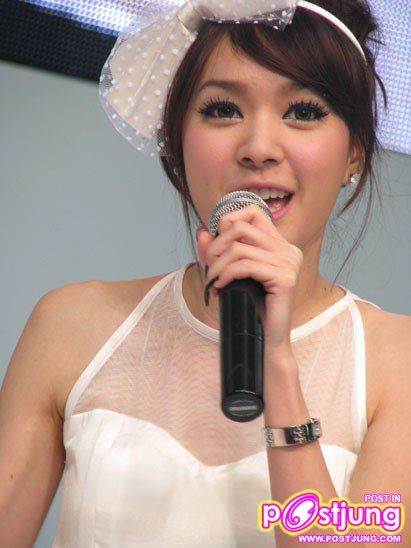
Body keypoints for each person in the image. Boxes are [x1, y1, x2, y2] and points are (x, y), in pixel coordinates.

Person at [1, 0, 410, 546]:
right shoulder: (70, 325)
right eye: (222, 109)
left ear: (355, 152)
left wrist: (278, 364)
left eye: (302, 111)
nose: (258, 149)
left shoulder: (397, 365)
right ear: (177, 139)